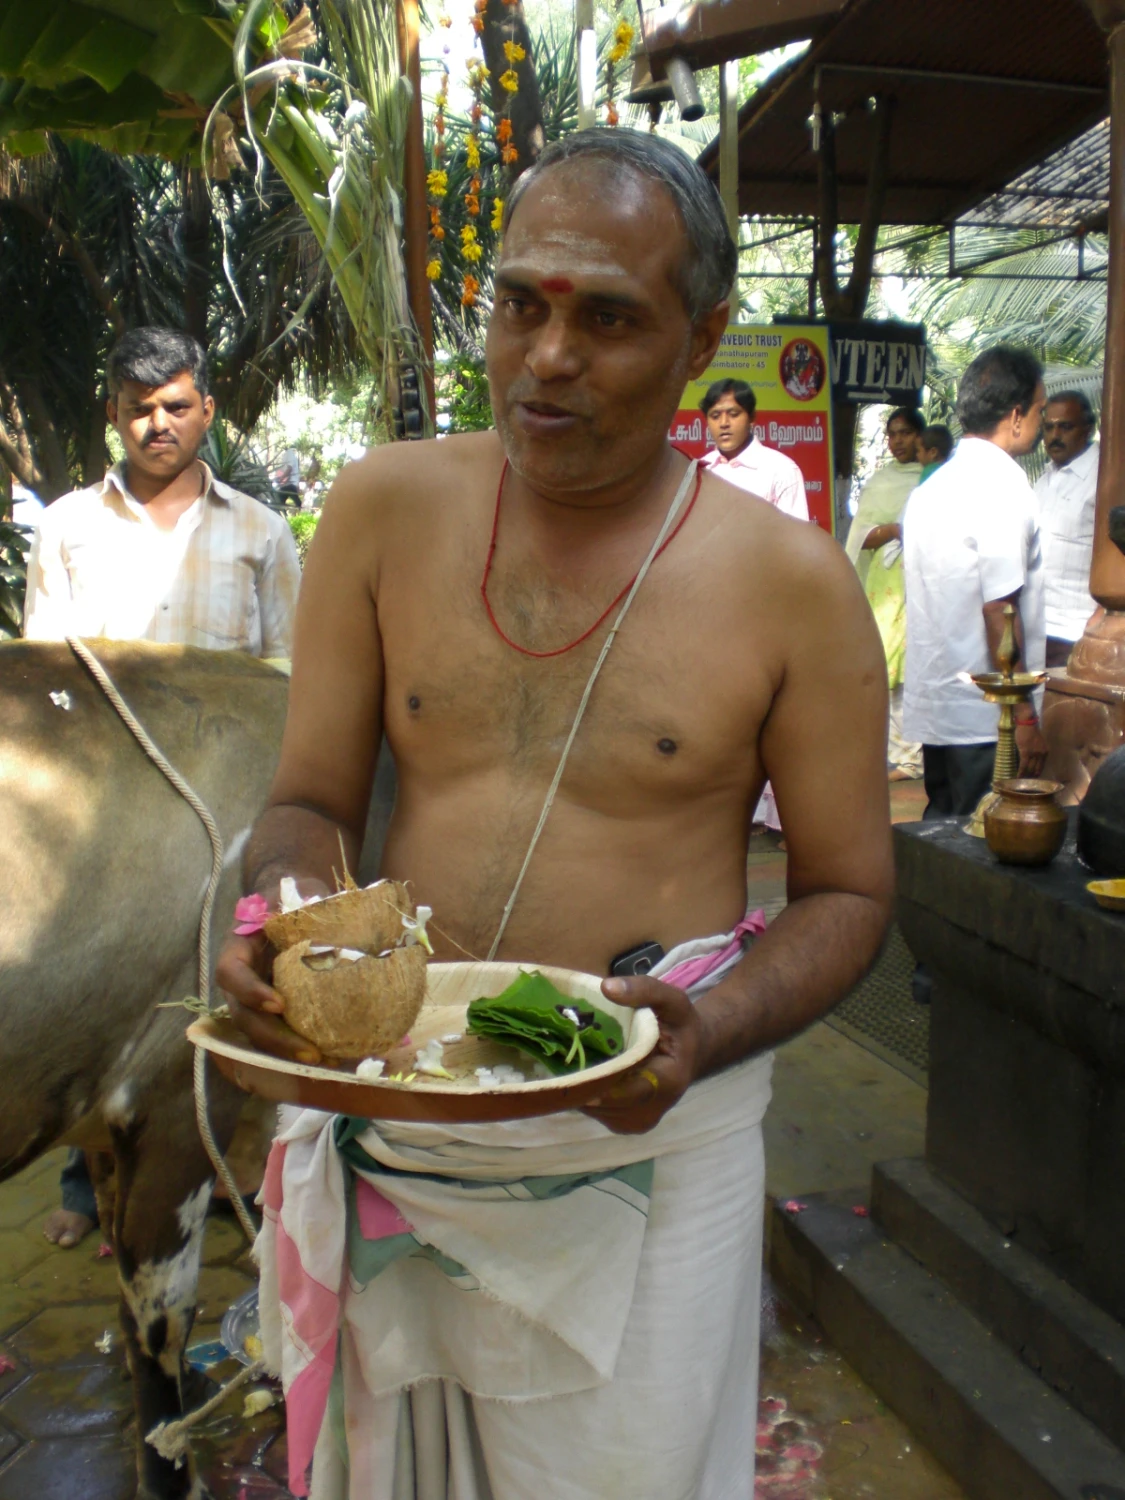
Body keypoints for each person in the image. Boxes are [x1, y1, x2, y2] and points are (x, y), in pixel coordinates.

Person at [216, 129, 893, 1500]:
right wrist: (293, 931)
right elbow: (305, 803)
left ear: (701, 340)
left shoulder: (792, 585)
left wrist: (711, 1032)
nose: (546, 357)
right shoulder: (381, 511)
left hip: (650, 1140)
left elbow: (850, 894)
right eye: (520, 301)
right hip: (401, 1109)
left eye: (607, 318)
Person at [25, 326, 301, 1248]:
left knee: (217, 983)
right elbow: (45, 676)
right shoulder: (66, 525)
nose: (158, 425)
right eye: (139, 408)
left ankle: (204, 1168)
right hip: (104, 812)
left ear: (206, 412)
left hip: (222, 807)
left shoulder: (259, 533)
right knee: (95, 980)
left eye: (176, 406)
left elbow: (284, 676)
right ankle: (87, 1182)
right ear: (113, 413)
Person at [903, 346, 1048, 819]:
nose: (1043, 422)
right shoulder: (1001, 488)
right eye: (1041, 409)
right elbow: (999, 610)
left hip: (940, 705)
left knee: (943, 834)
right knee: (982, 842)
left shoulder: (931, 488)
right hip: (988, 719)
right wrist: (1024, 715)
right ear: (1016, 415)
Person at [845, 407, 926, 779]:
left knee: (911, 665)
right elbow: (861, 536)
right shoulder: (879, 482)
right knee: (886, 662)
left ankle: (912, 757)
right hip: (884, 585)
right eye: (892, 434)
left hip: (922, 583)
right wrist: (895, 529)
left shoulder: (931, 479)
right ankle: (897, 753)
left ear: (921, 436)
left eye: (906, 433)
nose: (898, 442)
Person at [1033, 391, 1100, 669]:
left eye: (1065, 426)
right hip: (1038, 630)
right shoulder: (1045, 480)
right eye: (1049, 427)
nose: (1054, 435)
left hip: (1080, 635)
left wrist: (1100, 624)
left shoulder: (1105, 478)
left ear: (1089, 428)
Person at [698, 378, 809, 519]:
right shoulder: (699, 471)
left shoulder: (781, 470)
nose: (723, 423)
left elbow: (795, 536)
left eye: (733, 414)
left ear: (751, 418)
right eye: (715, 416)